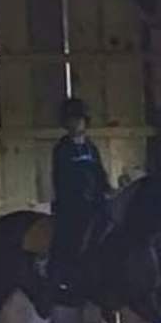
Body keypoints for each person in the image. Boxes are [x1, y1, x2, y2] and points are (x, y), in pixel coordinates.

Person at [50, 94, 113, 281]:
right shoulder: (62, 148)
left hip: (95, 201)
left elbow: (99, 172)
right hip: (73, 204)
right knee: (68, 235)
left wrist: (107, 189)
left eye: (79, 120)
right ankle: (61, 272)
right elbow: (60, 178)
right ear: (66, 123)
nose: (77, 124)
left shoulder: (91, 148)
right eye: (72, 120)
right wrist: (74, 198)